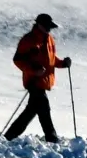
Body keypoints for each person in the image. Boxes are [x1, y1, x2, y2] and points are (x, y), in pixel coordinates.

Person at [5, 13, 71, 142]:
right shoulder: (28, 40)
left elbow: (51, 59)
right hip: (33, 81)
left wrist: (63, 63)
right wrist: (34, 70)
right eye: (47, 26)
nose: (49, 29)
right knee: (44, 107)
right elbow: (17, 59)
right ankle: (52, 138)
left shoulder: (49, 39)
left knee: (31, 111)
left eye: (50, 27)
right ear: (39, 25)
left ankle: (10, 136)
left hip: (44, 81)